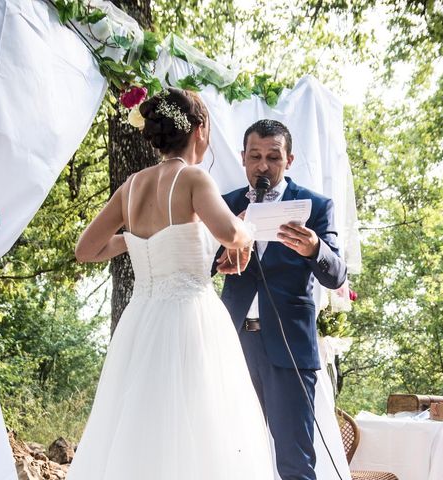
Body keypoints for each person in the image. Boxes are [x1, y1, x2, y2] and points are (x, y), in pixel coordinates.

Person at [66, 88, 274, 480]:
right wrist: (248, 229)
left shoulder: (130, 186)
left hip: (141, 320)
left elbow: (87, 249)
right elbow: (231, 232)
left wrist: (133, 240)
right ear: (200, 129)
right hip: (190, 317)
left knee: (142, 426)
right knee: (201, 425)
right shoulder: (193, 177)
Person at [216, 119, 347, 480]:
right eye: (255, 156)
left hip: (289, 345)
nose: (263, 165)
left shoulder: (316, 206)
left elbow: (337, 274)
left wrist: (314, 247)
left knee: (295, 460)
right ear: (243, 158)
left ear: (288, 160)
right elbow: (203, 264)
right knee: (235, 455)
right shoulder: (224, 204)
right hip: (233, 344)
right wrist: (225, 244)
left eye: (273, 157)